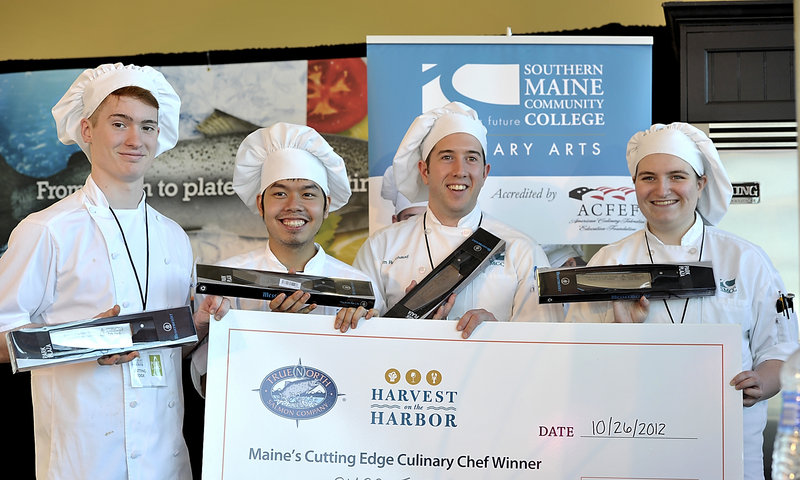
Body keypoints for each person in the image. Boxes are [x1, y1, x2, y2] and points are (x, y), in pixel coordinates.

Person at [0, 63, 227, 480]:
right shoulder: (45, 231)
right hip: (82, 462)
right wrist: (82, 341)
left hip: (165, 461)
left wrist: (197, 323)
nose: (134, 139)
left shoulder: (174, 236)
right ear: (87, 130)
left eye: (147, 127)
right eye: (119, 123)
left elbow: (169, 346)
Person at [566, 122, 798, 479]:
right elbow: (574, 358)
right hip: (631, 444)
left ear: (701, 183)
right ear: (634, 185)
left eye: (677, 176)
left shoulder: (744, 260)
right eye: (648, 178)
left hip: (729, 449)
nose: (662, 189)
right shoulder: (609, 263)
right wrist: (619, 331)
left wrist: (763, 382)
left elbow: (782, 348)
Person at [190, 122, 385, 391]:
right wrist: (271, 330)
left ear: (327, 206)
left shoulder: (361, 288)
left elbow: (375, 374)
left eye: (308, 194)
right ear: (261, 203)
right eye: (280, 193)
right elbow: (204, 380)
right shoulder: (224, 282)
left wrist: (367, 334)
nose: (293, 206)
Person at [353, 101, 563, 338]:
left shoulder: (522, 249)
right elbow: (361, 337)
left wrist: (498, 333)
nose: (460, 170)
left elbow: (546, 343)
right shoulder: (381, 247)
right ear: (425, 171)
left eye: (471, 158)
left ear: (485, 173)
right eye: (447, 157)